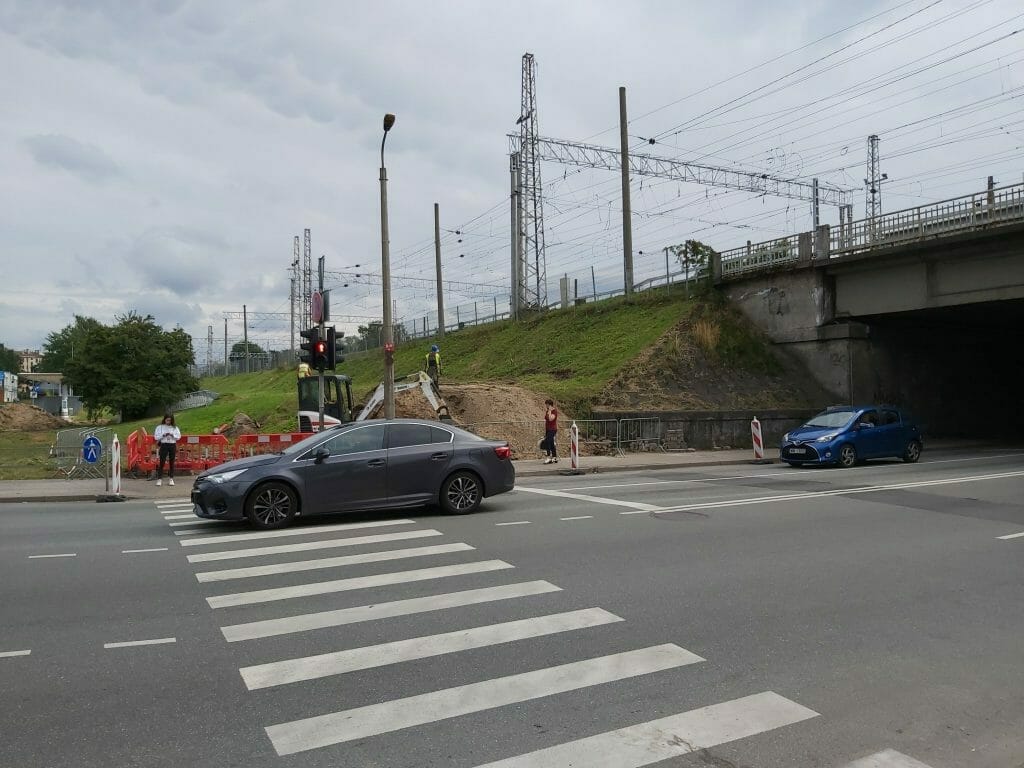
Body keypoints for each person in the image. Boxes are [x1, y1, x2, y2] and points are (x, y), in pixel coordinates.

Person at [154, 413, 181, 486]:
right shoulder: (160, 427)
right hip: (164, 444)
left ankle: (171, 478)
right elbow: (156, 437)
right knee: (162, 462)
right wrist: (163, 435)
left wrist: (173, 435)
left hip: (172, 444)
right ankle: (159, 479)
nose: (168, 422)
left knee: (172, 462)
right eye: (167, 420)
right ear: (164, 419)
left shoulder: (175, 427)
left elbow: (178, 436)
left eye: (170, 420)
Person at [541, 398, 559, 464]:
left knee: (547, 442)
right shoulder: (548, 411)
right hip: (548, 429)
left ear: (549, 405)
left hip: (552, 429)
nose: (546, 406)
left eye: (547, 405)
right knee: (551, 443)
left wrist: (550, 411)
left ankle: (548, 457)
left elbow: (551, 419)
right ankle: (554, 457)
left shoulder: (554, 411)